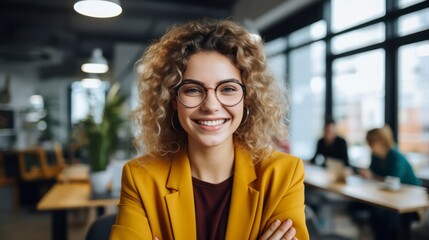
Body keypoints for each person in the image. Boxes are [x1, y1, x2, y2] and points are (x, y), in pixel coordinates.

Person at [110, 19, 309, 240]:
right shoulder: (140, 177)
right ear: (173, 99)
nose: (211, 105)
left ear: (247, 97)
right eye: (193, 90)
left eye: (228, 89)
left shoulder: (283, 174)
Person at [358, 125, 421, 240]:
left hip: (409, 201)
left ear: (381, 142)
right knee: (374, 211)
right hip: (389, 197)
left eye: (371, 143)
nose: (369, 146)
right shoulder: (375, 157)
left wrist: (372, 176)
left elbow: (393, 181)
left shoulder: (396, 157)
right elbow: (374, 176)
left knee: (383, 216)